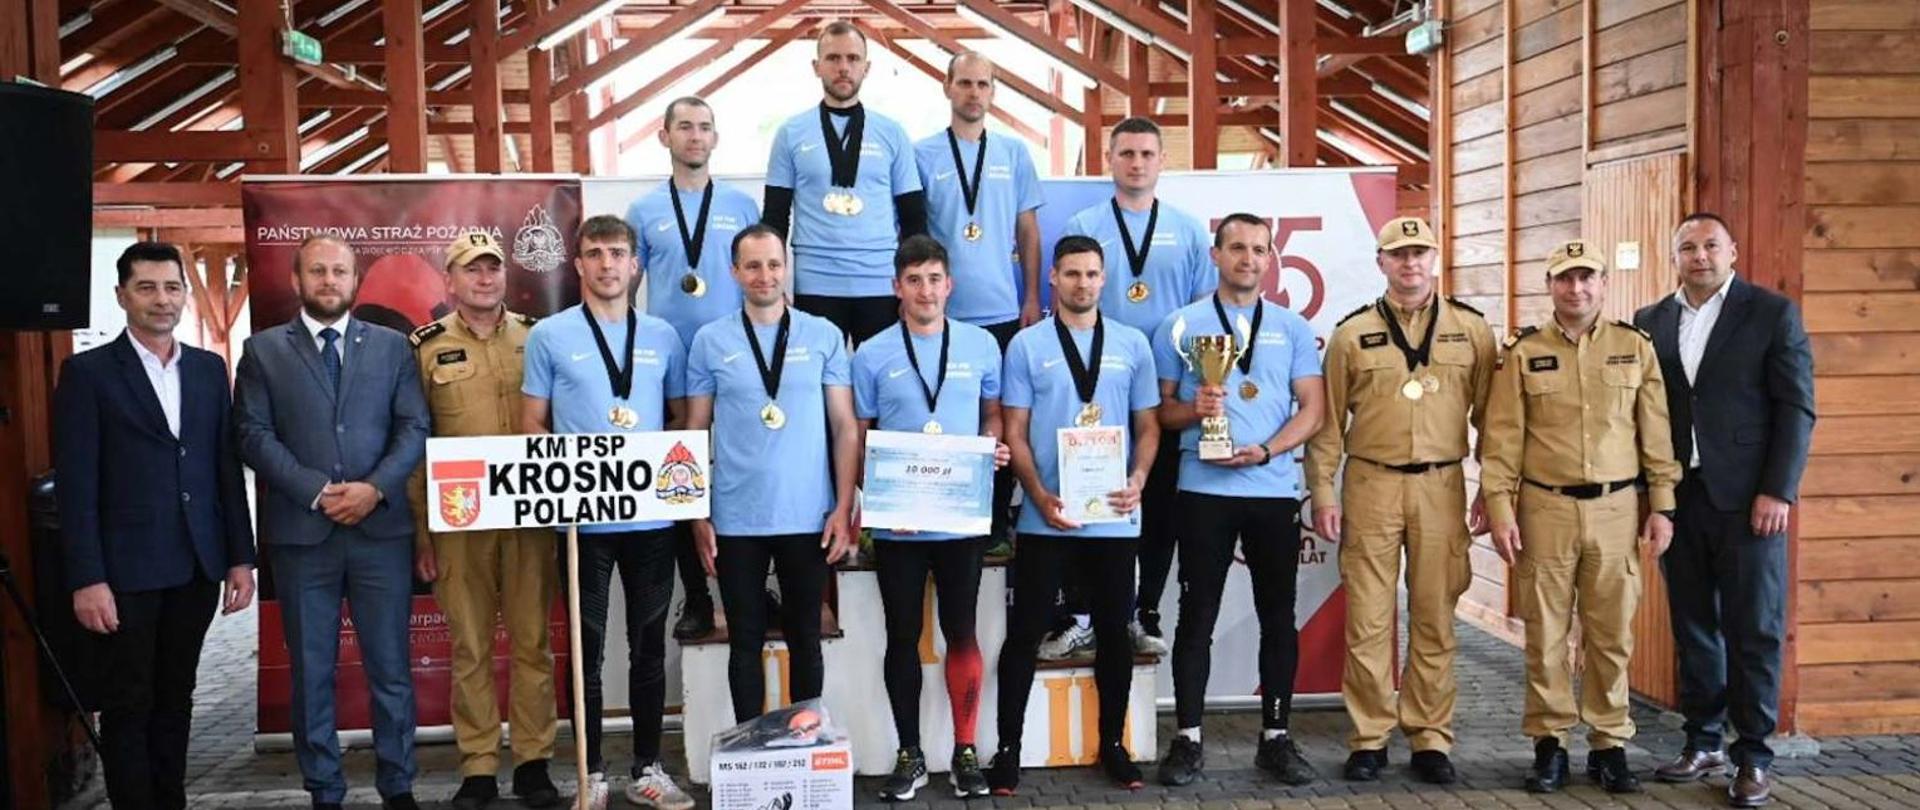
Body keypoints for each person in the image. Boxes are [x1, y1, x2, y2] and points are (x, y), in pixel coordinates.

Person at [54, 241, 256, 810]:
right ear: (122, 296)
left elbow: (224, 469)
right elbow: (77, 486)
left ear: (185, 295)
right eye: (147, 288)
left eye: (171, 287)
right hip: (125, 574)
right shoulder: (87, 374)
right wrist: (87, 578)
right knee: (129, 704)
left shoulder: (208, 369)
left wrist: (240, 557)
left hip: (196, 566)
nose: (161, 299)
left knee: (177, 698)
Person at [233, 235, 429, 810]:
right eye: (317, 271)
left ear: (354, 281)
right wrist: (316, 492)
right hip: (303, 536)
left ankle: (398, 785)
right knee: (312, 671)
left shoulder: (393, 348)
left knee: (390, 669)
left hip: (379, 532)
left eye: (339, 271)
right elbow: (252, 434)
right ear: (297, 280)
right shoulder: (263, 351)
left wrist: (374, 488)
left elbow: (414, 427)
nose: (328, 281)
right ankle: (324, 789)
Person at [1480, 240, 1682, 796]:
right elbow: (1501, 439)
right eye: (1565, 279)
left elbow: (1656, 431)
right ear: (1550, 286)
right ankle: (1549, 744)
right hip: (1545, 508)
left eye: (1586, 277)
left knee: (1611, 633)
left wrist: (1663, 504)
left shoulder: (1633, 346)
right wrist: (1499, 508)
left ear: (1603, 283)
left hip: (1618, 509)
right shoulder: (1523, 351)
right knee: (1545, 633)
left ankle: (1609, 744)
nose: (1576, 288)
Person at [1304, 216, 1496, 785]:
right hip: (1371, 483)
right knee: (1368, 617)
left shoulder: (1472, 330)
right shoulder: (1351, 334)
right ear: (1381, 262)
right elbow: (1328, 425)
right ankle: (1369, 737)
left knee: (1434, 614)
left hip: (1442, 485)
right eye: (1398, 254)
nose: (1410, 263)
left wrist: (1494, 489)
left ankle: (1430, 736)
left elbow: (1495, 422)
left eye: (1419, 252)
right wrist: (1322, 490)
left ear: (1434, 258)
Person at [1633, 213, 1815, 808]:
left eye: (1711, 245)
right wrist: (1650, 496)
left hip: (1748, 500)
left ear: (1732, 251)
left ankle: (1754, 754)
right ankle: (1703, 740)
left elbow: (1796, 408)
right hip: (1677, 499)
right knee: (1693, 626)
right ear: (1674, 257)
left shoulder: (1770, 314)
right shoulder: (1650, 322)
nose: (1700, 256)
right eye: (1688, 247)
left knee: (1753, 627)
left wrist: (1778, 490)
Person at [521, 215, 697, 810]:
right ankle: (590, 772)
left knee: (648, 646)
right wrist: (573, 477)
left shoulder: (664, 336)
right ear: (578, 265)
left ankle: (647, 768)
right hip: (583, 525)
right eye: (595, 253)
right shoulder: (550, 335)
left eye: (617, 253)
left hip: (651, 521)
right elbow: (531, 424)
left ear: (634, 264)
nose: (606, 264)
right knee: (586, 650)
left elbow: (680, 419)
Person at [1151, 214, 1325, 787]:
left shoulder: (1293, 328)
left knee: (1278, 616)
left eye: (1258, 249)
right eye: (1236, 248)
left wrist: (1268, 450)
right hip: (1203, 491)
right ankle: (1188, 739)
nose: (1248, 259)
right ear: (1216, 254)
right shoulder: (1180, 325)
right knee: (1196, 616)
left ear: (1270, 258)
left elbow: (1314, 409)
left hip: (1272, 491)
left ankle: (1276, 738)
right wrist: (1195, 411)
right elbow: (1159, 413)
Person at [986, 234, 1160, 795]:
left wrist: (1138, 479)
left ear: (1103, 279)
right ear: (1053, 279)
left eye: (1090, 274)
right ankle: (1008, 749)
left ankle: (1114, 746)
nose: (1082, 283)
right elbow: (1015, 431)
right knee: (1025, 632)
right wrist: (1038, 497)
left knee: (1114, 631)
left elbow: (1149, 426)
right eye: (1071, 274)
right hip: (1047, 515)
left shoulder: (1132, 343)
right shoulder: (1026, 346)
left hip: (1113, 514)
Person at [406, 232, 560, 810]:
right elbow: (414, 444)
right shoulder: (425, 348)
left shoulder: (537, 337)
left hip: (529, 518)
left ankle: (534, 763)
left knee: (532, 642)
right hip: (459, 522)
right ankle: (477, 767)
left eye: (493, 268)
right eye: (472, 269)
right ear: (450, 280)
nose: (485, 278)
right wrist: (422, 530)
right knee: (469, 646)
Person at [852, 235, 1010, 800]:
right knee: (902, 635)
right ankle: (910, 753)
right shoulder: (871, 354)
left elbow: (993, 414)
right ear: (897, 287)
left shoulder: (982, 345)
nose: (925, 290)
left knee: (961, 629)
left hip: (959, 520)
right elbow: (860, 435)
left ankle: (965, 751)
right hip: (900, 524)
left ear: (950, 285)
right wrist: (878, 496)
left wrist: (991, 446)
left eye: (934, 279)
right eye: (914, 280)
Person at [686, 224, 860, 725]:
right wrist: (697, 514)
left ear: (787, 268)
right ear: (734, 272)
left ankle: (803, 741)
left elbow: (845, 428)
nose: (765, 275)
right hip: (736, 519)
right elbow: (694, 431)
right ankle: (748, 746)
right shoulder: (710, 341)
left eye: (774, 264)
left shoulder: (823, 335)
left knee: (806, 638)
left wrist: (842, 506)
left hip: (809, 516)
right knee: (744, 642)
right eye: (753, 266)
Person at [1057, 116, 1214, 658]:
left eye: (1147, 153)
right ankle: (1083, 613)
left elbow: (1202, 317)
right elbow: (1069, 304)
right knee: (1088, 500)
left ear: (1162, 160)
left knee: (1157, 507)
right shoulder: (1084, 223)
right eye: (1126, 153)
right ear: (1110, 159)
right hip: (1096, 387)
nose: (1137, 163)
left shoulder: (1188, 230)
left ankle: (1144, 611)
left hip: (1163, 392)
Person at [628, 94, 762, 642]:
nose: (695, 136)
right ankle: (698, 599)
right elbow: (625, 291)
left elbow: (761, 281)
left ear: (715, 137)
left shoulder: (741, 205)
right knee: (681, 479)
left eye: (704, 127)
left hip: (734, 363)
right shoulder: (643, 211)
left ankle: (751, 590)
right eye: (684, 126)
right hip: (670, 368)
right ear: (665, 136)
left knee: (740, 472)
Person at [913, 50, 1043, 547]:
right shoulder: (922, 154)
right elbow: (914, 236)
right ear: (947, 87)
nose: (973, 92)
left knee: (1003, 418)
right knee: (943, 414)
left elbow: (1027, 229)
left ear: (993, 91)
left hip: (1003, 310)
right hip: (941, 313)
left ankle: (994, 520)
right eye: (964, 83)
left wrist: (1031, 295)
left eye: (982, 84)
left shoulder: (1014, 153)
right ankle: (932, 509)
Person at [761, 19, 926, 346]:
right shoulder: (790, 133)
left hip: (880, 283)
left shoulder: (892, 133)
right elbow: (775, 219)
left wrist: (913, 287)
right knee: (817, 376)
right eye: (833, 58)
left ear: (866, 67)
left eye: (852, 58)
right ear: (816, 66)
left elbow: (914, 220)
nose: (843, 67)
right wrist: (776, 286)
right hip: (816, 283)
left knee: (882, 375)